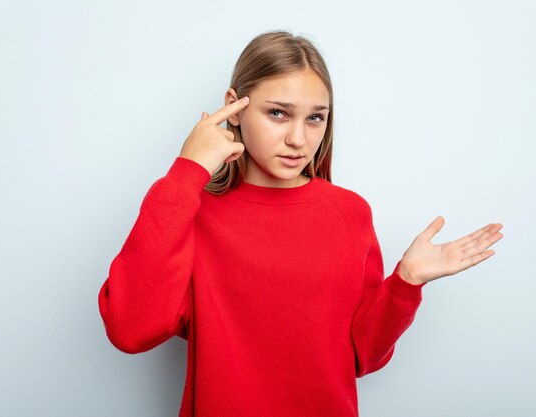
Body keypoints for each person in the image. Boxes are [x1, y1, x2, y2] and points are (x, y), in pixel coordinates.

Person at [98, 30, 503, 417]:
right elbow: (132, 330)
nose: (298, 138)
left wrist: (405, 284)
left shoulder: (349, 213)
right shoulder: (190, 209)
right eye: (277, 113)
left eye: (315, 119)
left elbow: (361, 357)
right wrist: (187, 172)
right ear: (234, 108)